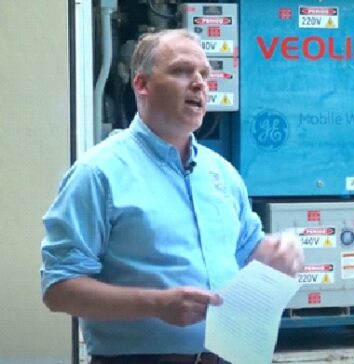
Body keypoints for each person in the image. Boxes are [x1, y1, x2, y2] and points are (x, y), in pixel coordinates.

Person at [40, 29, 303, 364]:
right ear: (141, 85)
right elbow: (59, 289)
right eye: (181, 71)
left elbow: (248, 253)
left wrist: (275, 254)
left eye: (205, 75)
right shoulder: (98, 174)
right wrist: (156, 304)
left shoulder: (221, 173)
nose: (199, 83)